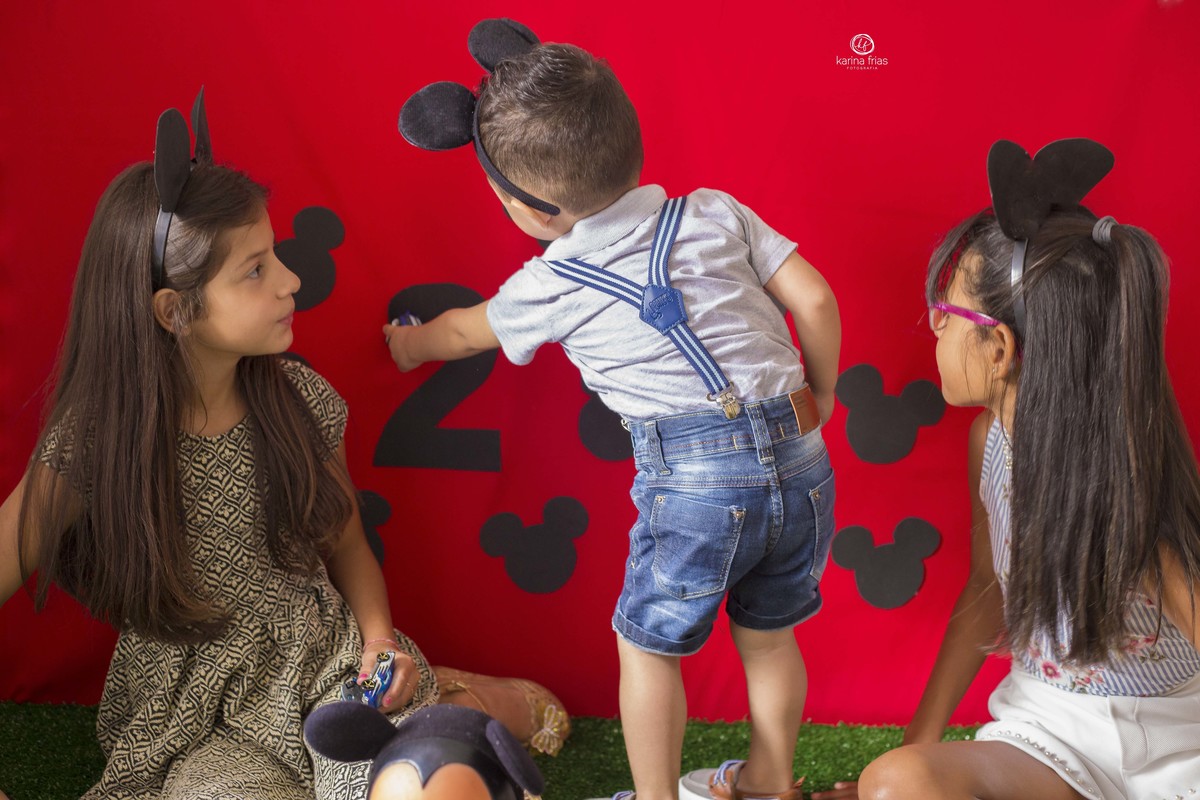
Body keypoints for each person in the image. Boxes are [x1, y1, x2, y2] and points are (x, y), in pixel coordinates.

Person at [0, 93, 568, 800]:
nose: (291, 281)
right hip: (200, 717)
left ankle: (465, 708)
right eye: (256, 269)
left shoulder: (297, 400)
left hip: (328, 668)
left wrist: (378, 640)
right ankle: (462, 704)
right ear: (175, 311)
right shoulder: (93, 440)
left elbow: (348, 540)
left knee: (435, 780)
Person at [387, 19, 840, 800]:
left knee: (648, 648)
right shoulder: (711, 210)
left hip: (694, 480)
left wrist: (408, 346)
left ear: (527, 207)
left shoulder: (550, 282)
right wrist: (820, 394)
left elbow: (464, 333)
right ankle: (769, 781)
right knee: (768, 637)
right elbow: (815, 296)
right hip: (802, 457)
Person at [814, 139, 1200, 800]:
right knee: (895, 784)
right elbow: (985, 590)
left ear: (999, 348)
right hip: (1049, 734)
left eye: (948, 311)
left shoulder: (1133, 490)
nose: (933, 323)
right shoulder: (989, 443)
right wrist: (916, 751)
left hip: (1174, 743)